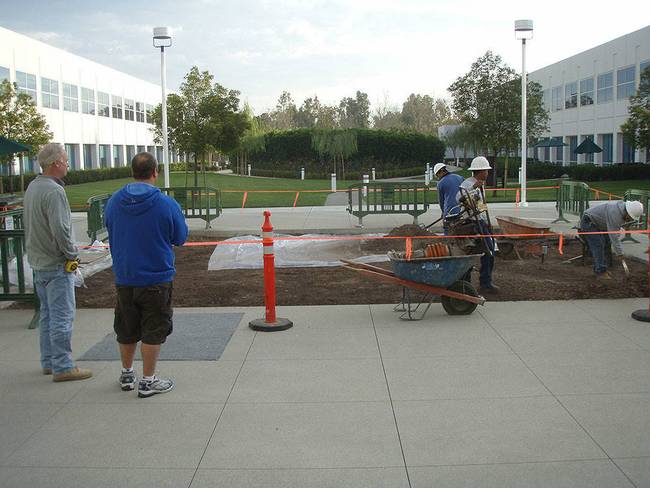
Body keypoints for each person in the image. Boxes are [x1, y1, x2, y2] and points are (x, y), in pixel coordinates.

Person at [105, 152, 188, 398]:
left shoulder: (114, 202)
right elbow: (180, 237)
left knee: (126, 327)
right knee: (154, 329)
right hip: (155, 277)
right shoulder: (166, 204)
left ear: (133, 172)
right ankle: (148, 380)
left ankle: (127, 372)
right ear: (155, 172)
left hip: (125, 276)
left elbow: (109, 227)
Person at [23, 143, 92, 382]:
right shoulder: (54, 191)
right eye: (65, 160)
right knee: (62, 316)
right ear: (55, 164)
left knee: (47, 315)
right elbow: (61, 230)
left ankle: (49, 361)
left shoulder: (33, 187)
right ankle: (63, 366)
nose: (67, 164)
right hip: (56, 263)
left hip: (39, 262)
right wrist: (72, 255)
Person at [455, 156, 498, 293]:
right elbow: (459, 198)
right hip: (471, 223)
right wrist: (473, 189)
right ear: (480, 171)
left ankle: (481, 281)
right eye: (486, 170)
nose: (487, 173)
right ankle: (474, 282)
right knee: (475, 251)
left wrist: (486, 221)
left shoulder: (479, 184)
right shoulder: (468, 184)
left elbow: (481, 206)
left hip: (480, 221)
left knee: (487, 251)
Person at [579, 200, 643, 279]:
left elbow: (614, 231)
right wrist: (620, 253)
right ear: (627, 212)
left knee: (605, 242)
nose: (629, 220)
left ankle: (602, 267)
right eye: (630, 218)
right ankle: (600, 272)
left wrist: (619, 251)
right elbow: (614, 236)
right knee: (598, 244)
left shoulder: (621, 209)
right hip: (588, 222)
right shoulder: (615, 213)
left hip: (599, 224)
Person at [433, 163, 464, 234]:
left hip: (450, 213)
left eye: (437, 175)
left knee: (448, 232)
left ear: (439, 172)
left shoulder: (440, 183)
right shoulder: (460, 177)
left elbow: (441, 201)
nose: (438, 178)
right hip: (462, 211)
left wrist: (443, 213)